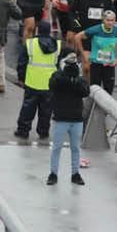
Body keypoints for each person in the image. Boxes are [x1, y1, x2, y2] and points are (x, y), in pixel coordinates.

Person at [46, 55, 88, 186]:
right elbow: (52, 85)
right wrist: (65, 76)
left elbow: (86, 92)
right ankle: (53, 173)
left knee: (75, 148)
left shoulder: (79, 78)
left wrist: (76, 79)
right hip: (61, 118)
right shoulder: (58, 76)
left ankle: (75, 173)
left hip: (75, 118)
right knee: (57, 147)